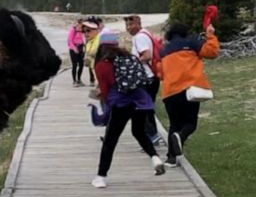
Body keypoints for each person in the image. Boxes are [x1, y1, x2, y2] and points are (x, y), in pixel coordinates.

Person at [91, 31, 165, 188]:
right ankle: (155, 158)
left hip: (121, 104)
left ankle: (101, 177)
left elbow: (104, 90)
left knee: (110, 140)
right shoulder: (130, 58)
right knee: (138, 132)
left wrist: (104, 104)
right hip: (141, 102)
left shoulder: (102, 65)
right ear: (116, 44)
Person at [158, 22, 220, 167]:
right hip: (189, 90)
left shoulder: (164, 50)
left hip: (169, 92)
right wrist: (210, 35)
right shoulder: (192, 43)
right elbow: (212, 52)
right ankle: (180, 136)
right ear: (186, 32)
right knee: (190, 123)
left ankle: (171, 159)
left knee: (174, 124)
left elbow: (160, 74)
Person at [124, 15, 162, 145]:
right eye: (127, 25)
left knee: (142, 107)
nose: (128, 28)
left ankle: (152, 135)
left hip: (147, 77)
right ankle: (152, 135)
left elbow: (147, 55)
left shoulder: (140, 37)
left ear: (138, 23)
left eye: (131, 24)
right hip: (151, 77)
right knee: (147, 106)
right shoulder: (145, 33)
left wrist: (133, 64)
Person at [67, 19, 85, 87]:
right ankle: (74, 81)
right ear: (78, 24)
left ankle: (79, 79)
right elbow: (70, 41)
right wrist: (74, 48)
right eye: (80, 25)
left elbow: (84, 40)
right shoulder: (73, 30)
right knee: (74, 65)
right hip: (73, 49)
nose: (81, 27)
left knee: (81, 65)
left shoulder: (83, 31)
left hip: (81, 49)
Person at [83, 17, 100, 86]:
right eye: (84, 31)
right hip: (93, 66)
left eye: (88, 31)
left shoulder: (99, 39)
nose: (86, 33)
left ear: (96, 30)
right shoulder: (90, 41)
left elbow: (94, 52)